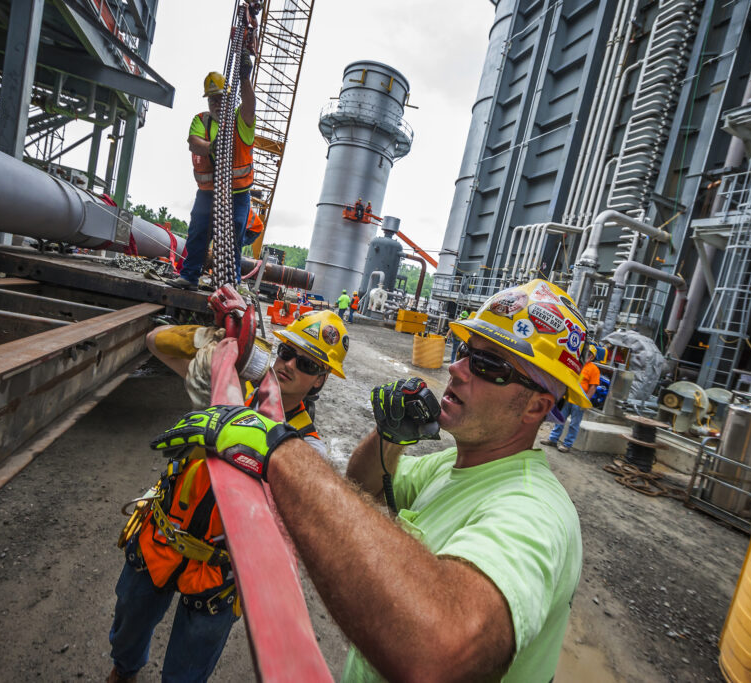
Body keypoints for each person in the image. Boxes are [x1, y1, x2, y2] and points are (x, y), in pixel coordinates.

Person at [151, 278, 591, 682]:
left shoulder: (534, 510)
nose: (457, 369)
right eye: (462, 351)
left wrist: (279, 449)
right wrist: (390, 435)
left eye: (487, 362)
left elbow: (441, 653)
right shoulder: (452, 465)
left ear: (537, 407)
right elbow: (364, 485)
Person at [107, 311, 349, 682]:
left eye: (305, 363)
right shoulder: (228, 388)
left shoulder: (307, 447)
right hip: (160, 540)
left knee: (186, 673)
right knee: (126, 633)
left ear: (320, 380)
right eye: (285, 351)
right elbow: (157, 341)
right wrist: (214, 338)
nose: (287, 364)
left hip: (219, 573)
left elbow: (314, 505)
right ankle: (124, 673)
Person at [169, 49, 256, 290]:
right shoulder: (202, 120)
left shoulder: (241, 120)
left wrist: (245, 79)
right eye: (212, 99)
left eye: (220, 98)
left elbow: (250, 106)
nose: (216, 103)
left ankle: (230, 284)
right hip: (208, 192)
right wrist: (212, 146)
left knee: (233, 237)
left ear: (230, 99)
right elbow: (193, 143)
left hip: (237, 194)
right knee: (198, 232)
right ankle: (189, 277)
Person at [544, 343, 600, 452]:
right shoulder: (577, 364)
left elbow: (593, 387)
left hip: (578, 401)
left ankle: (567, 445)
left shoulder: (594, 369)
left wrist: (584, 401)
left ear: (592, 357)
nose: (587, 355)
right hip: (568, 397)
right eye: (586, 353)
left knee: (574, 424)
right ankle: (553, 439)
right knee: (560, 419)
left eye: (590, 354)